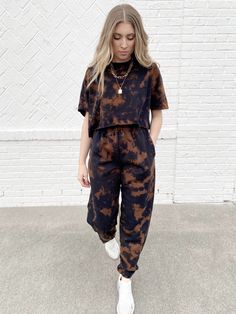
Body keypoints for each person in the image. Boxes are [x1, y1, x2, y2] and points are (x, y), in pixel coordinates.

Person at [77, 4, 169, 314]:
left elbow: (157, 115)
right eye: (117, 37)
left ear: (138, 38)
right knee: (102, 215)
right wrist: (81, 161)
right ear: (108, 37)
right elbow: (88, 122)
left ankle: (125, 278)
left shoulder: (149, 71)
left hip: (139, 156)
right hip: (103, 156)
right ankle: (105, 234)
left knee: (136, 220)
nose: (124, 44)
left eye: (130, 37)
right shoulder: (94, 74)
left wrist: (150, 145)